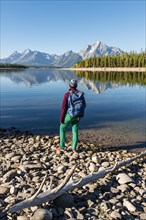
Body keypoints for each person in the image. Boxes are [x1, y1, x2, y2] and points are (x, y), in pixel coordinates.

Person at [56, 79, 86, 152]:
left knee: (62, 128)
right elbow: (84, 105)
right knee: (75, 130)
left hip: (70, 115)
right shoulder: (81, 94)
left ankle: (62, 147)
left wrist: (61, 119)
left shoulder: (67, 94)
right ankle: (74, 148)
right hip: (78, 115)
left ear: (69, 85)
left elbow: (64, 108)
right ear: (76, 86)